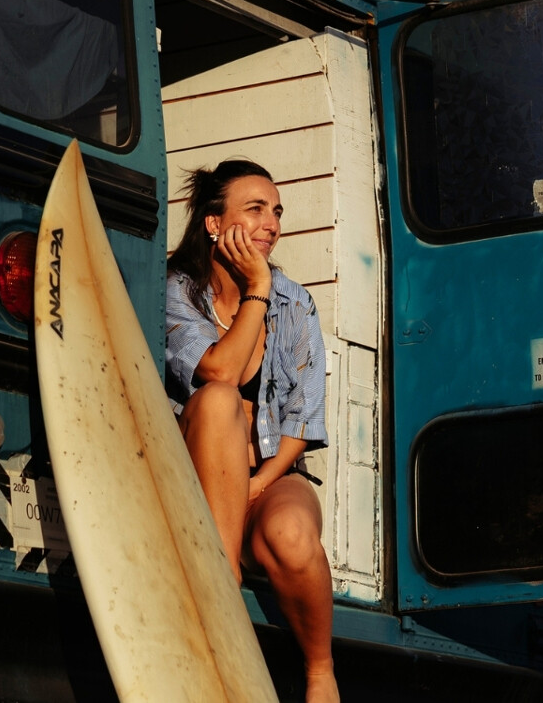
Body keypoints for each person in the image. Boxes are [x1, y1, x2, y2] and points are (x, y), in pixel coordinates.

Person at [164, 160, 338, 703]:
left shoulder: (296, 301)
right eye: (256, 209)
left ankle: (320, 671)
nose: (271, 224)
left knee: (294, 535)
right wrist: (257, 289)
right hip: (196, 480)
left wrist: (260, 483)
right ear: (214, 223)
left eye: (277, 211)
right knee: (219, 399)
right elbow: (219, 371)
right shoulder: (176, 290)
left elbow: (303, 417)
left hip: (266, 475)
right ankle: (225, 592)